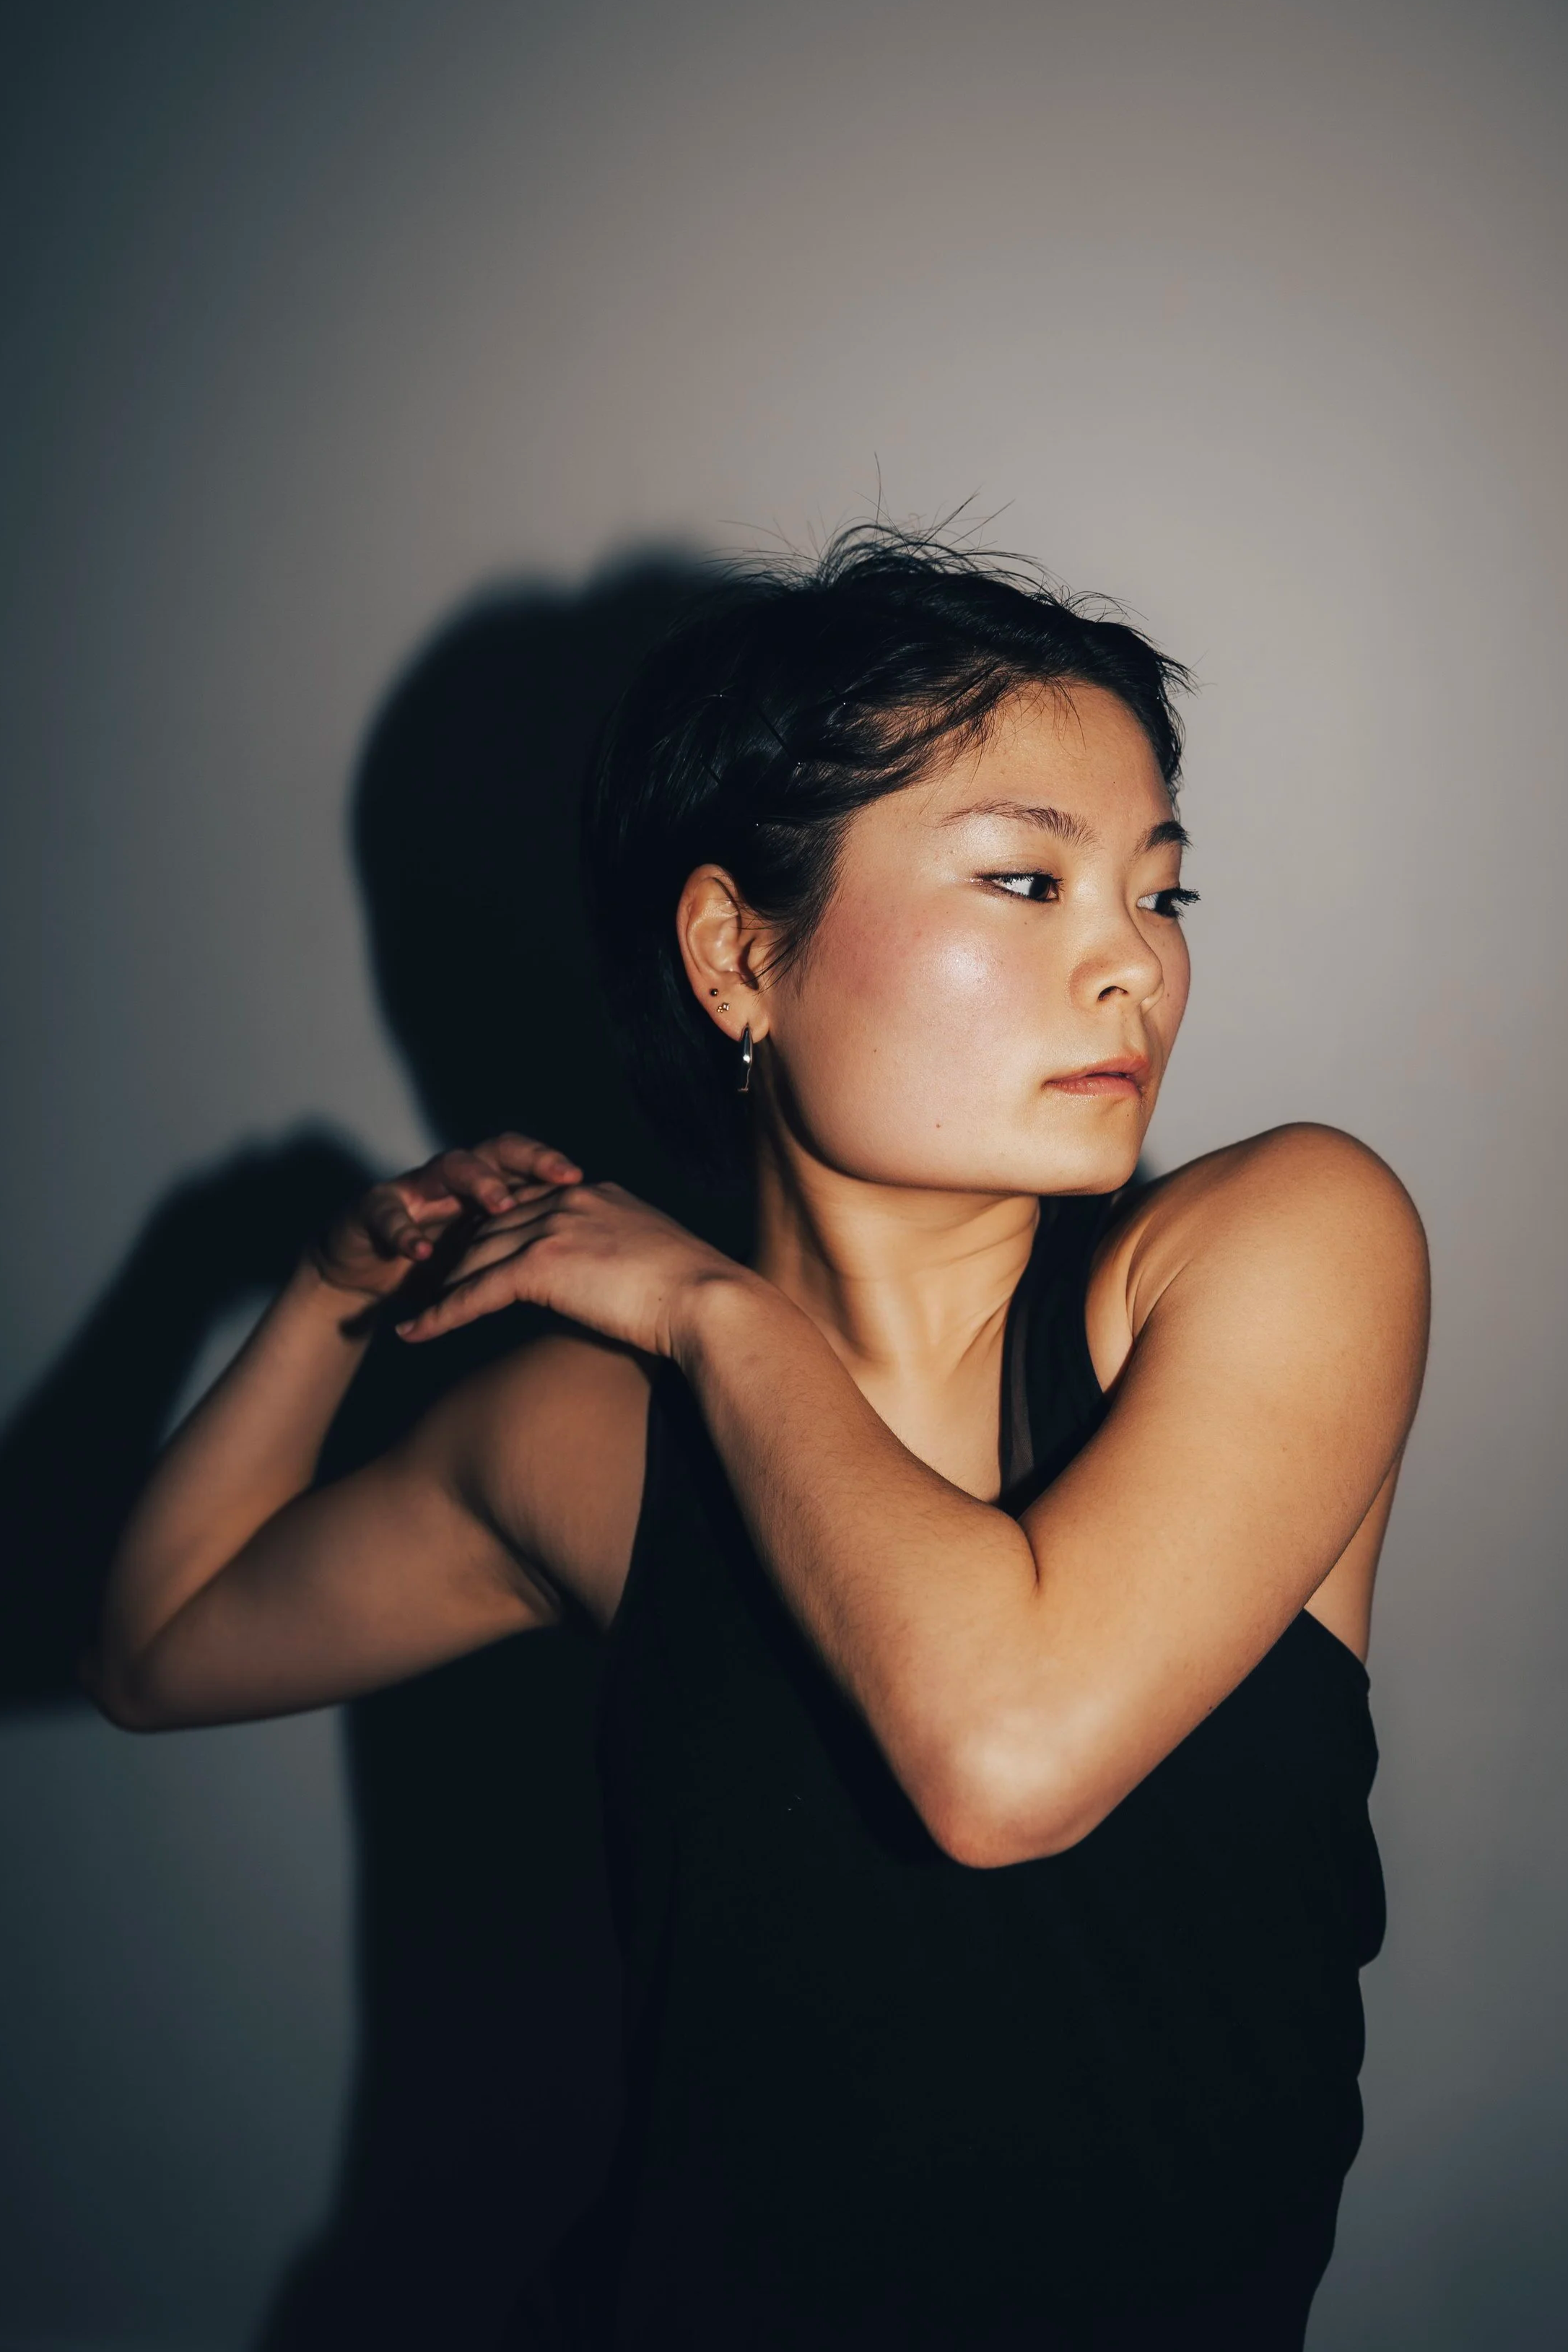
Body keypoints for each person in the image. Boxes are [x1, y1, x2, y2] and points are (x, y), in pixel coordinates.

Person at [87, 529, 1429, 2349]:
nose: (1134, 967)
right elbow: (160, 1650)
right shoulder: (593, 1442)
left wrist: (715, 1313)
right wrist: (330, 1293)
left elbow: (1002, 1752)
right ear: (737, 953)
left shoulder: (1281, 1249)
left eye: (1160, 893)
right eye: (1030, 881)